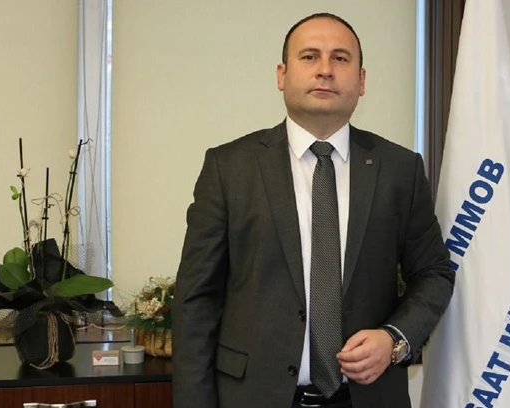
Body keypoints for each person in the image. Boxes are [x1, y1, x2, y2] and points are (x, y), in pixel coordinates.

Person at [173, 12, 455, 408]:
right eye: (309, 57)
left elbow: (434, 273)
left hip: (369, 398)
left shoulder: (400, 169)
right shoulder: (229, 168)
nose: (325, 69)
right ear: (282, 75)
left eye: (340, 58)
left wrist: (394, 338)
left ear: (361, 80)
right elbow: (196, 301)